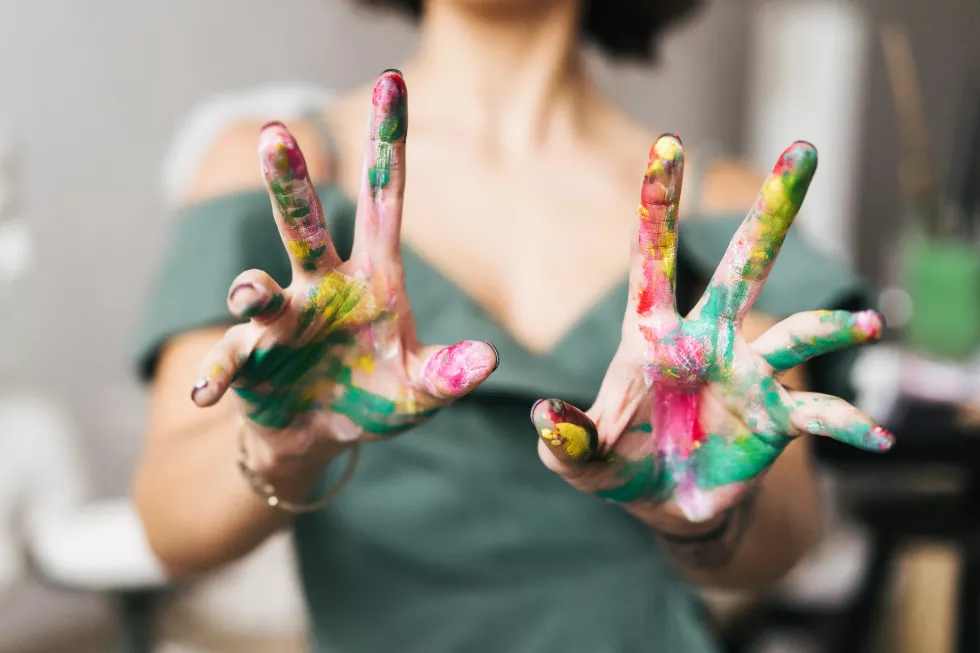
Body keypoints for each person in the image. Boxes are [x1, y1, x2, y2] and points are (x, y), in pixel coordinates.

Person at [133, 1, 890, 651]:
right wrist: (282, 444)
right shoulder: (282, 174)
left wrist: (699, 503)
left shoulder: (722, 204)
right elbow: (168, 523)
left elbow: (784, 532)